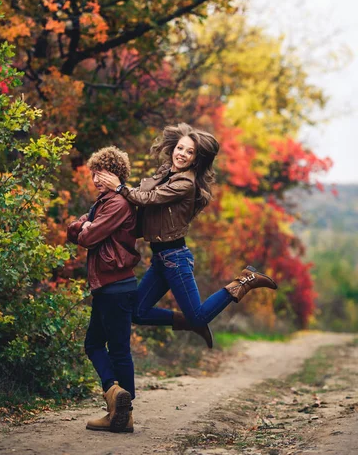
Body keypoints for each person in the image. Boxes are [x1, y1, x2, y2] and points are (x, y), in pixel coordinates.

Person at [98, 123, 277, 349]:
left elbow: (147, 198)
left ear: (196, 159)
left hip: (175, 258)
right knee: (137, 312)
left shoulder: (185, 182)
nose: (182, 154)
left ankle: (244, 281)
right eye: (180, 148)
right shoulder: (167, 172)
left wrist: (119, 188)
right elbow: (144, 195)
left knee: (199, 316)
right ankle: (189, 322)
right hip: (161, 259)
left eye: (189, 152)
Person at [67, 146, 140, 433]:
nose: (96, 179)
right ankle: (117, 404)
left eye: (102, 173)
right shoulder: (104, 202)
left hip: (115, 285)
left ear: (116, 174)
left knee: (113, 348)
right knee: (98, 344)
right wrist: (83, 225)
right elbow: (76, 229)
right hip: (109, 286)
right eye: (94, 173)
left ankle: (117, 402)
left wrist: (84, 226)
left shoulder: (117, 203)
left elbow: (86, 236)